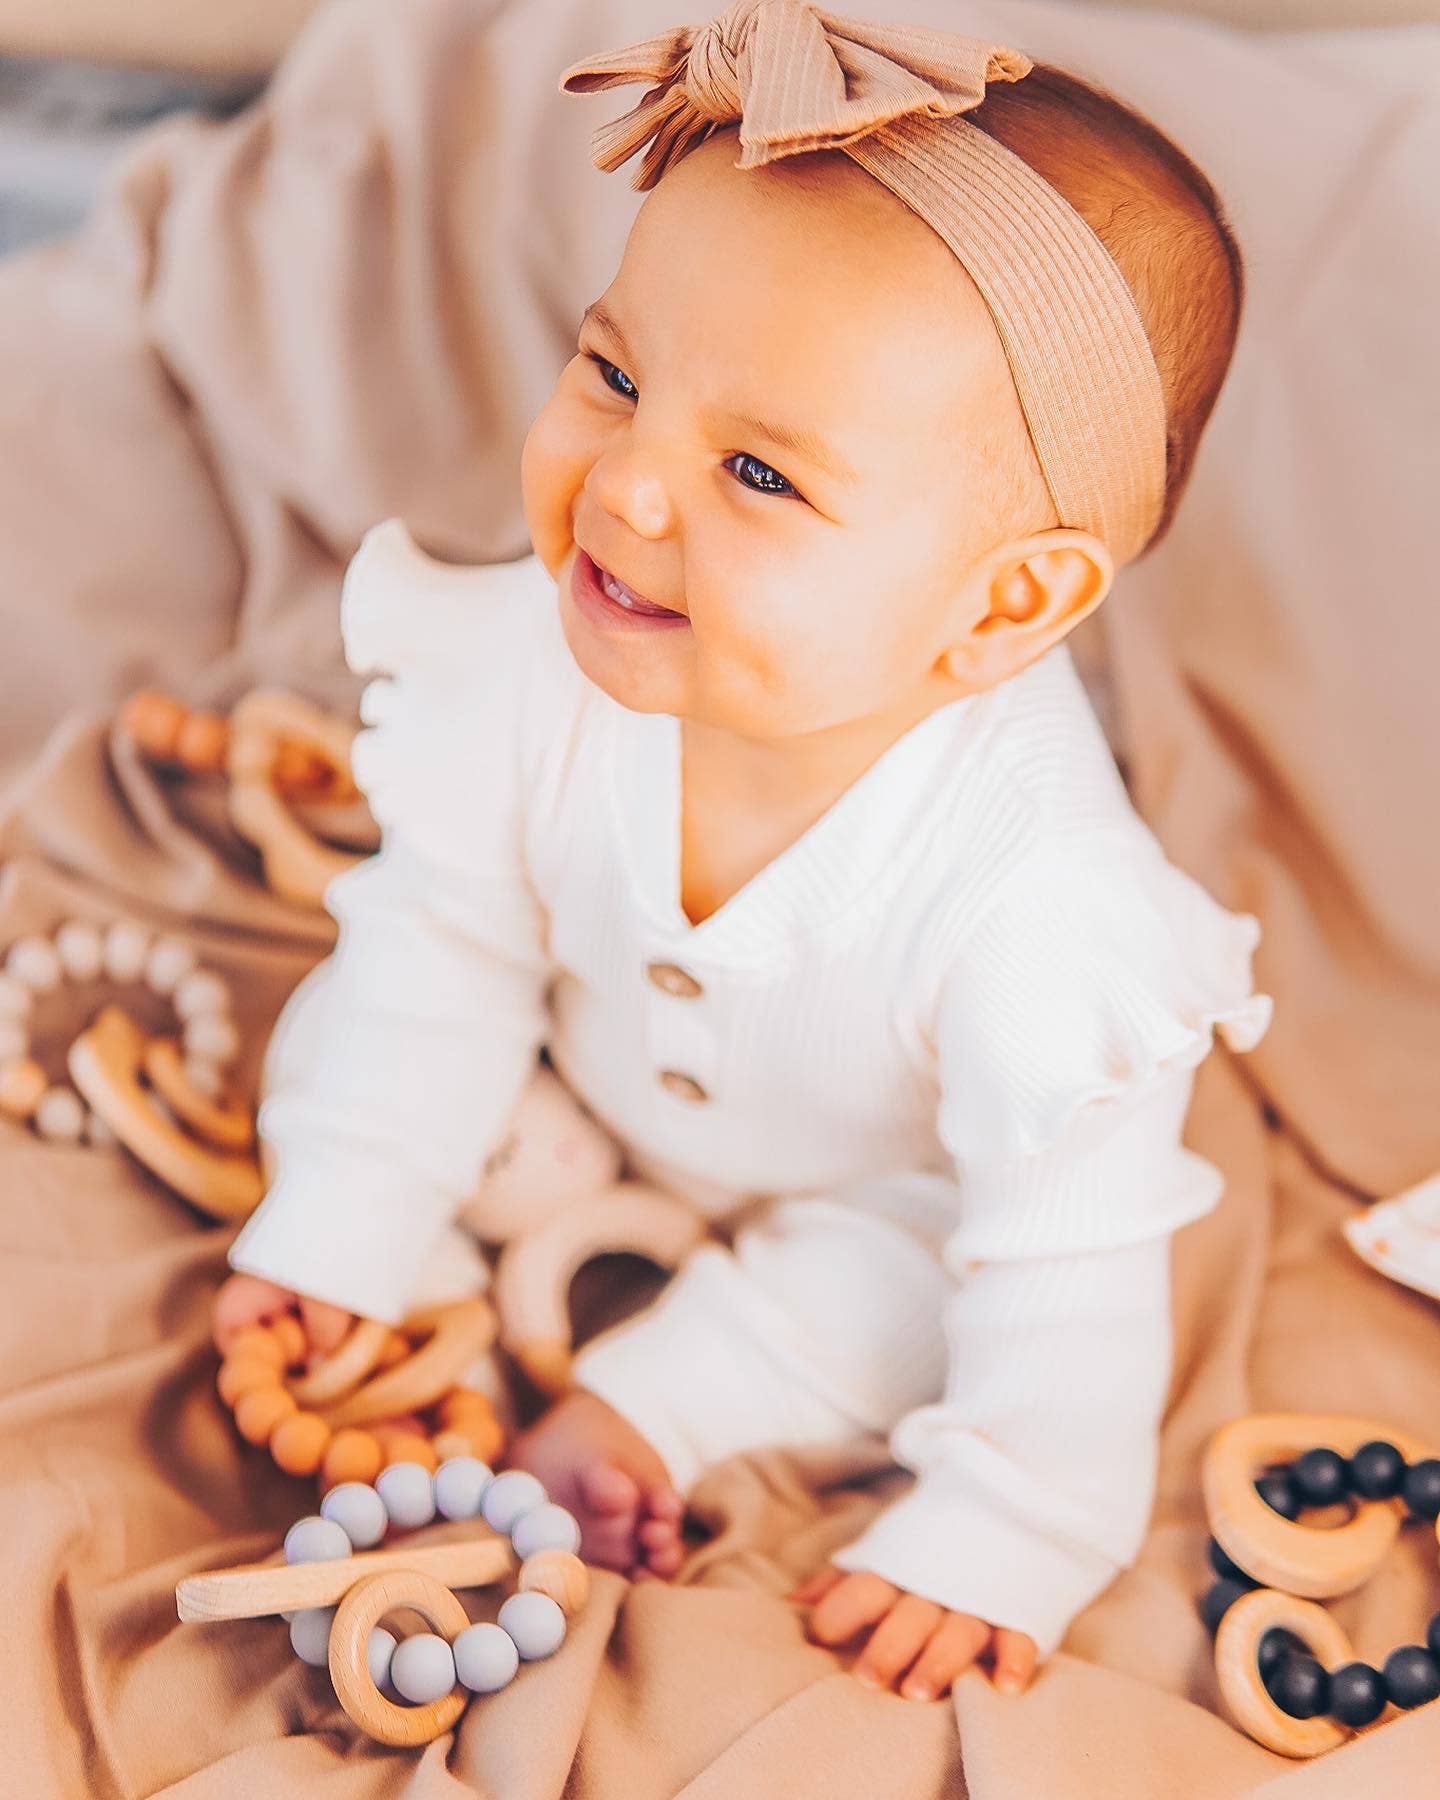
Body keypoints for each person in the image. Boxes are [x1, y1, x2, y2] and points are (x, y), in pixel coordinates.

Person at [214, 3, 1272, 1704]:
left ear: (1005, 605)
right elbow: (441, 943)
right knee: (387, 1053)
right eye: (617, 375)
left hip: (892, 1193)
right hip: (583, 1082)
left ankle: (650, 1407)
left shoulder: (1042, 908)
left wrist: (1009, 1528)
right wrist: (341, 1208)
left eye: (760, 473)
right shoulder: (541, 670)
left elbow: (1065, 1269)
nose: (627, 490)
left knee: (903, 1291)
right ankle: (436, 1256)